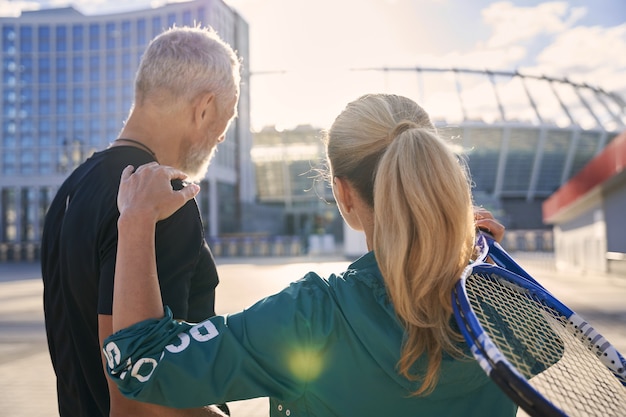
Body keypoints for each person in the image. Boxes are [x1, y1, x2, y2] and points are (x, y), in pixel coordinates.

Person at [103, 94, 516, 416]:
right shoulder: (501, 307)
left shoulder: (312, 316)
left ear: (343, 193)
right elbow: (547, 350)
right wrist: (489, 268)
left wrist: (136, 218)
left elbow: (141, 364)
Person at [40, 25, 240, 417]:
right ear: (203, 108)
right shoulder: (161, 200)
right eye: (225, 121)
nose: (220, 139)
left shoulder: (71, 189)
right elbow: (142, 402)